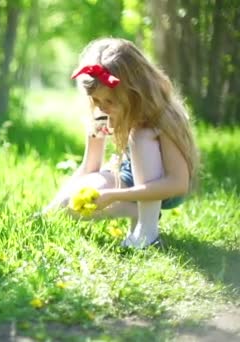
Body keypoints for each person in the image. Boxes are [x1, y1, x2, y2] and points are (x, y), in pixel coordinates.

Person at [44, 37, 199, 249]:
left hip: (164, 187)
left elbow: (177, 183)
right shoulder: (101, 112)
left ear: (135, 91)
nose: (103, 107)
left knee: (141, 136)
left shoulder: (163, 116)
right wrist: (50, 210)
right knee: (68, 206)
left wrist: (113, 196)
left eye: (110, 101)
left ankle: (147, 232)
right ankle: (139, 211)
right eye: (97, 100)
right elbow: (90, 167)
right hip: (127, 176)